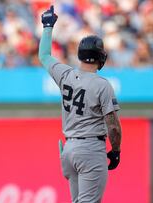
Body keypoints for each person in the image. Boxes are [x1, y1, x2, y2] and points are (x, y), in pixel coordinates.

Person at [38, 6, 122, 203]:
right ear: (101, 57)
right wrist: (116, 151)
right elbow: (113, 126)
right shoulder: (102, 85)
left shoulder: (65, 74)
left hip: (69, 150)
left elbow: (43, 56)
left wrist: (48, 26)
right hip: (90, 149)